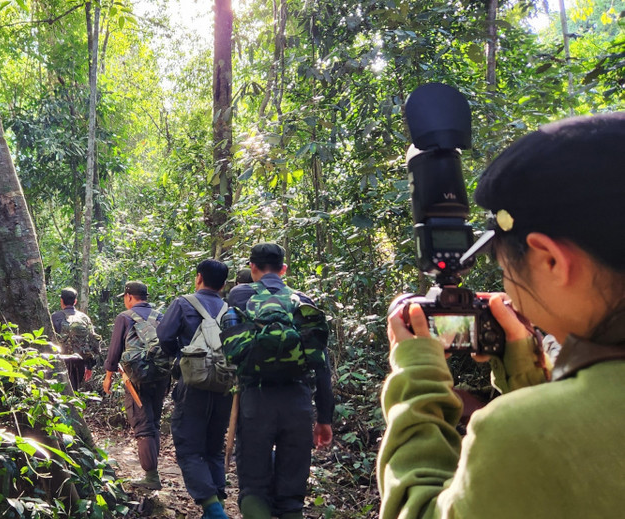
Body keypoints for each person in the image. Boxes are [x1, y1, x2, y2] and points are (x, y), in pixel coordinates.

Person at [379, 113, 625, 518]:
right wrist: (527, 374)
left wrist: (418, 379)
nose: (507, 286)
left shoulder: (522, 434)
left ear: (549, 260)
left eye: (504, 265)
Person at [226, 243, 334, 519]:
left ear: (252, 268)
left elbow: (229, 348)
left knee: (253, 489)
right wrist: (324, 417)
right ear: (283, 269)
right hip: (297, 400)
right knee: (291, 497)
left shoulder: (238, 296)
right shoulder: (303, 301)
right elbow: (321, 364)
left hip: (255, 401)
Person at [156, 259, 232, 519]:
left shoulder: (182, 303)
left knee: (189, 447)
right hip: (223, 385)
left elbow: (164, 337)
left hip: (192, 385)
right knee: (214, 447)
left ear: (198, 278)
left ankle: (213, 509)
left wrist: (182, 356)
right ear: (224, 284)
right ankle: (217, 504)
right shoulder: (230, 309)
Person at [103, 281, 169, 490]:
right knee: (154, 421)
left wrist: (108, 376)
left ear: (130, 297)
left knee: (143, 424)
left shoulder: (125, 317)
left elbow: (114, 351)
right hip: (161, 376)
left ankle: (151, 476)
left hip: (136, 378)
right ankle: (153, 470)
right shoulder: (161, 315)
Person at [50, 287, 100, 391]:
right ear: (75, 301)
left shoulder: (54, 317)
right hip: (80, 362)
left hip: (60, 361)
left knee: (60, 391)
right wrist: (89, 366)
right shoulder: (84, 318)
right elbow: (93, 340)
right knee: (75, 390)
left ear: (61, 300)